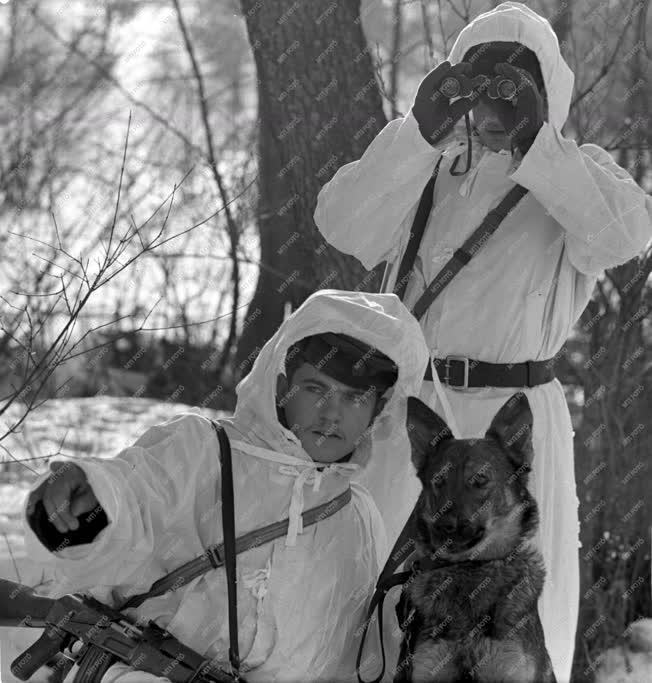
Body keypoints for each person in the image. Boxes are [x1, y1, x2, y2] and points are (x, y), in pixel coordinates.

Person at [313, 3, 652, 681]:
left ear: (549, 88)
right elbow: (342, 223)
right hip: (413, 419)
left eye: (517, 79)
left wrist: (536, 145)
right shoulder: (427, 171)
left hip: (513, 425)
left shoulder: (571, 173)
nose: (496, 94)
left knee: (519, 618)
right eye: (482, 75)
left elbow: (627, 234)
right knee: (371, 606)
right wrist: (419, 132)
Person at [22, 289, 430, 683]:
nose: (332, 414)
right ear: (281, 385)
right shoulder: (203, 450)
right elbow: (130, 497)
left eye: (356, 398)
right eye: (314, 388)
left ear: (381, 412)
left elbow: (357, 659)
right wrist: (86, 499)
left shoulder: (359, 517)